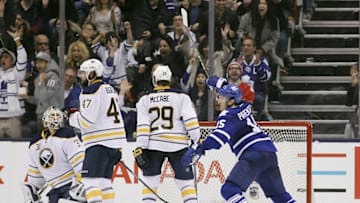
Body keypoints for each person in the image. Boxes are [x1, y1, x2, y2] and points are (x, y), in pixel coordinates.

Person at [182, 84, 296, 203]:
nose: (217, 100)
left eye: (221, 98)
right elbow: (235, 91)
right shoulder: (245, 105)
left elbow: (218, 139)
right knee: (280, 197)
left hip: (253, 154)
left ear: (231, 101)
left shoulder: (228, 115)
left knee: (229, 190)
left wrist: (200, 148)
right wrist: (219, 82)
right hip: (269, 154)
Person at [133, 64, 200, 203]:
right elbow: (191, 122)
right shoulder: (182, 97)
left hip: (153, 146)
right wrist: (196, 141)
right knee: (186, 184)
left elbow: (143, 126)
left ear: (154, 79)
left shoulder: (145, 99)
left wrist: (140, 147)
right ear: (169, 79)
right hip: (178, 146)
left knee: (150, 183)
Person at [69, 58, 126, 203]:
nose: (80, 76)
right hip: (115, 143)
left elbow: (86, 121)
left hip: (99, 144)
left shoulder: (91, 90)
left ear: (92, 74)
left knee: (90, 182)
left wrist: (71, 117)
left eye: (83, 73)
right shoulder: (109, 88)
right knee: (104, 183)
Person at [23, 106, 86, 203]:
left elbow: (79, 161)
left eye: (58, 116)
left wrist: (83, 181)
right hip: (54, 191)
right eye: (52, 116)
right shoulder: (34, 144)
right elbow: (36, 178)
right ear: (45, 119)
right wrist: (32, 189)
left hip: (71, 187)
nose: (55, 118)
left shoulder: (67, 135)